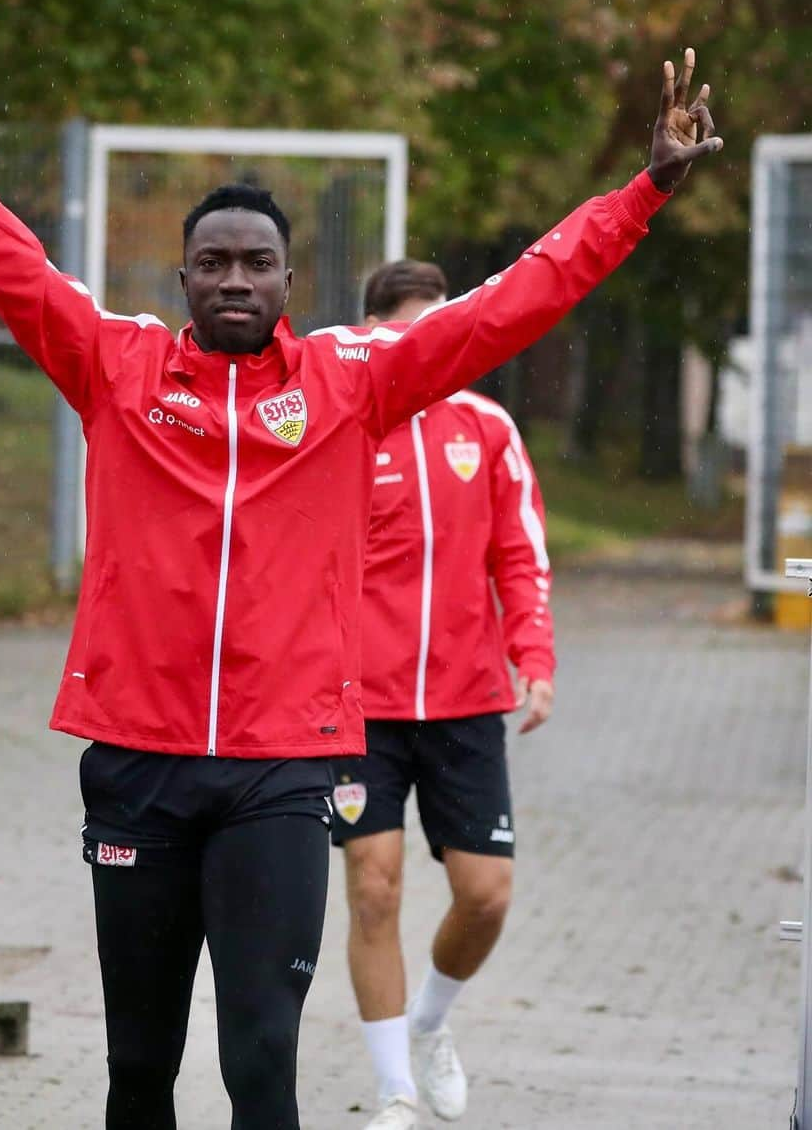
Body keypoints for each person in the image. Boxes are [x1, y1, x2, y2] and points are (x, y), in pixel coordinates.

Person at [0, 0, 722, 1130]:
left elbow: (520, 297)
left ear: (289, 279)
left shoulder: (360, 381)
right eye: (214, 263)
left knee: (263, 1063)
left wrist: (644, 190)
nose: (236, 279)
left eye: (258, 263)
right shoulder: (116, 366)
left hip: (281, 771)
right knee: (136, 1073)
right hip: (136, 766)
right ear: (185, 278)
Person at [329, 258, 556, 1128]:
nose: (429, 354)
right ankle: (393, 1092)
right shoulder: (346, 424)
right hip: (363, 706)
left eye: (442, 335)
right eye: (411, 336)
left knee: (487, 891)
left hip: (464, 700)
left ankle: (429, 1024)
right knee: (373, 886)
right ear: (376, 337)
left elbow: (519, 555)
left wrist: (534, 658)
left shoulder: (487, 429)